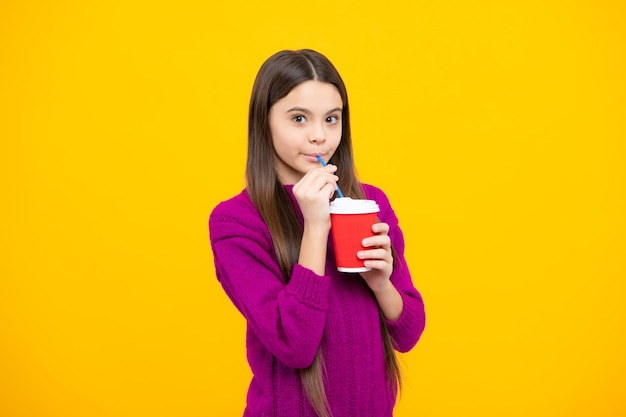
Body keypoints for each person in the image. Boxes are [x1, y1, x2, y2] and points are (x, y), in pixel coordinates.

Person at [209, 49, 426, 417]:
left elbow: (409, 332)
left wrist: (380, 283)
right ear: (264, 122)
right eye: (298, 118)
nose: (319, 137)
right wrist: (315, 225)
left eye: (331, 119)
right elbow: (295, 345)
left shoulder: (370, 203)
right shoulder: (235, 222)